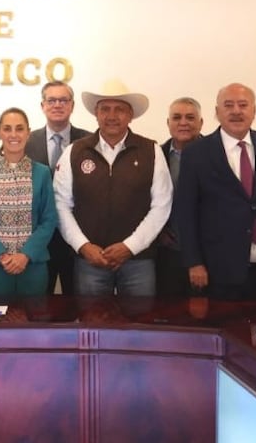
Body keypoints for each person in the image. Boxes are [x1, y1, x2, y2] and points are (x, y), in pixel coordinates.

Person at [53, 81, 172, 296]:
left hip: (138, 261)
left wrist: (130, 247)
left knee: (140, 316)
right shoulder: (75, 151)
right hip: (89, 261)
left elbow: (161, 205)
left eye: (119, 109)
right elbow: (60, 204)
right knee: (91, 317)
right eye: (105, 109)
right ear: (96, 114)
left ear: (130, 115)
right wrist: (83, 246)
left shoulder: (151, 151)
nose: (112, 116)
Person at [176, 84, 256, 301]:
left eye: (243, 105)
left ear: (254, 111)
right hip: (220, 267)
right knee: (226, 322)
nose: (236, 111)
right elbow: (185, 211)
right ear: (217, 112)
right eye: (228, 105)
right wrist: (194, 262)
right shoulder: (196, 153)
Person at [0, 108, 58, 298]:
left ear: (28, 133)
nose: (13, 135)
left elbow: (49, 219)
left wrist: (25, 255)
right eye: (7, 129)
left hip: (33, 265)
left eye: (19, 129)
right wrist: (1, 255)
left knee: (33, 315)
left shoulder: (42, 172)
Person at [25, 80, 92, 295]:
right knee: (39, 301)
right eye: (51, 100)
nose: (57, 105)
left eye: (63, 100)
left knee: (78, 300)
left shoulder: (90, 141)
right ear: (42, 105)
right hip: (38, 237)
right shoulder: (24, 141)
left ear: (72, 105)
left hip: (79, 237)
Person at [156, 97, 205, 297]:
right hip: (167, 251)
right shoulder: (155, 156)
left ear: (201, 123)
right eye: (176, 118)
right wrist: (158, 231)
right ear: (168, 123)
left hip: (206, 252)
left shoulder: (216, 154)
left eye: (190, 118)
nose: (183, 123)